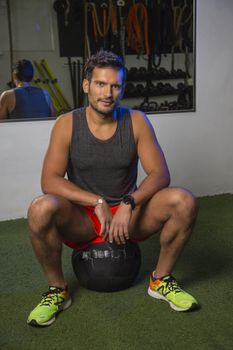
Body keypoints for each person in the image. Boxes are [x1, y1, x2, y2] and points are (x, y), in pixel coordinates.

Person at [27, 49, 198, 327]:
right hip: (83, 218)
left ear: (122, 88)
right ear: (86, 86)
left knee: (184, 200)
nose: (108, 92)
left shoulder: (137, 121)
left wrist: (129, 203)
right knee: (39, 208)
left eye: (115, 85)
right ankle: (57, 290)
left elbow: (160, 173)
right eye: (100, 84)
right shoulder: (66, 125)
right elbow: (50, 180)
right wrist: (96, 202)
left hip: (127, 218)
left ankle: (161, 280)